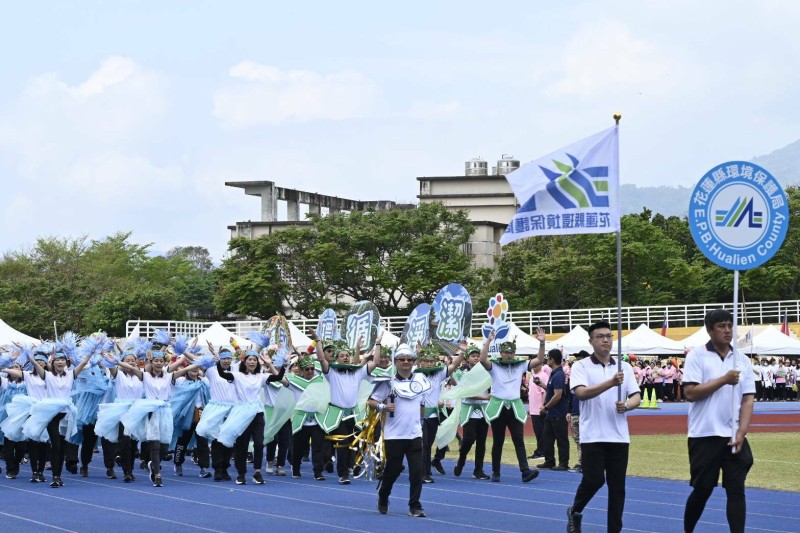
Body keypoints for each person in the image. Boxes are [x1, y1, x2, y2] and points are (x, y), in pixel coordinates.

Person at [682, 309, 755, 533]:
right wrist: (723, 379)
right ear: (710, 330)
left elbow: (748, 399)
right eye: (721, 326)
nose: (727, 330)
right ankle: (687, 530)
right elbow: (690, 393)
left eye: (730, 325)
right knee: (703, 489)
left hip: (732, 435)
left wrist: (742, 432)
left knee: (736, 490)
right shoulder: (697, 356)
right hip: (705, 434)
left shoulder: (742, 360)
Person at [567, 320, 641, 533]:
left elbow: (636, 396)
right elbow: (581, 393)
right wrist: (610, 383)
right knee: (594, 480)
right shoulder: (581, 366)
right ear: (591, 341)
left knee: (618, 488)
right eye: (600, 336)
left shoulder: (624, 367)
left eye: (609, 336)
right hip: (593, 435)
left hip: (618, 436)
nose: (605, 340)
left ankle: (614, 529)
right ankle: (575, 510)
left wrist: (627, 405)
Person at [368, 343, 430, 518]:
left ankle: (415, 506)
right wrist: (383, 406)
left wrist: (420, 422)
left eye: (409, 359)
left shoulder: (420, 381)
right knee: (393, 470)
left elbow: (422, 406)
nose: (406, 362)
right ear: (395, 361)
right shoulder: (388, 382)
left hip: (415, 434)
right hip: (394, 435)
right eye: (402, 359)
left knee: (417, 472)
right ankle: (383, 495)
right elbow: (371, 401)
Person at [479, 330, 544, 483]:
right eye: (506, 352)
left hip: (515, 406)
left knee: (519, 439)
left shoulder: (520, 364)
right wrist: (488, 341)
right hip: (498, 406)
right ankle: (496, 472)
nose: (509, 355)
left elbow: (539, 360)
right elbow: (482, 359)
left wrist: (542, 343)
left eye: (511, 352)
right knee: (498, 440)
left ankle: (525, 471)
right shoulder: (494, 365)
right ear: (501, 353)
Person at [313, 333, 377, 485]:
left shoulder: (357, 372)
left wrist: (375, 344)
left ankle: (349, 466)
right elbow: (321, 359)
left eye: (347, 355)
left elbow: (375, 362)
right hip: (338, 413)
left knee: (352, 444)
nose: (345, 358)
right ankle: (342, 474)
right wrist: (318, 340)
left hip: (353, 414)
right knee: (342, 443)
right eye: (342, 356)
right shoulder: (332, 373)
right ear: (336, 359)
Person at [96, 349, 145, 482]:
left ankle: (130, 468)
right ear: (122, 362)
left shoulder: (141, 375)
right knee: (124, 440)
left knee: (133, 442)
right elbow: (112, 366)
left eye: (133, 360)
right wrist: (106, 355)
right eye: (127, 360)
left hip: (136, 410)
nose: (131, 362)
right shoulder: (119, 374)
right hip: (121, 410)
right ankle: (125, 470)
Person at [452, 346, 491, 480]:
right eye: (473, 356)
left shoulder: (486, 371)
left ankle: (478, 470)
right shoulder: (462, 373)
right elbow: (465, 392)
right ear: (467, 358)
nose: (476, 358)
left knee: (481, 442)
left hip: (483, 410)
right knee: (468, 439)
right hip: (469, 409)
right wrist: (484, 397)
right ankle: (461, 461)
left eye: (477, 355)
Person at [538, 349, 570, 471]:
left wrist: (546, 407)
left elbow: (558, 395)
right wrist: (542, 385)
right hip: (552, 413)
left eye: (548, 357)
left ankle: (563, 463)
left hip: (558, 413)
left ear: (552, 359)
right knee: (548, 438)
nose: (547, 360)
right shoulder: (555, 374)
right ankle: (549, 461)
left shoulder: (558, 375)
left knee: (561, 439)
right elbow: (553, 391)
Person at [527, 354, 550, 460]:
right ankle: (540, 450)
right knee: (538, 431)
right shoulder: (533, 375)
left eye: (536, 363)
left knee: (541, 431)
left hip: (539, 409)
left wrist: (542, 405)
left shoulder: (543, 376)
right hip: (533, 408)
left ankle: (542, 451)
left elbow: (545, 391)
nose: (534, 365)